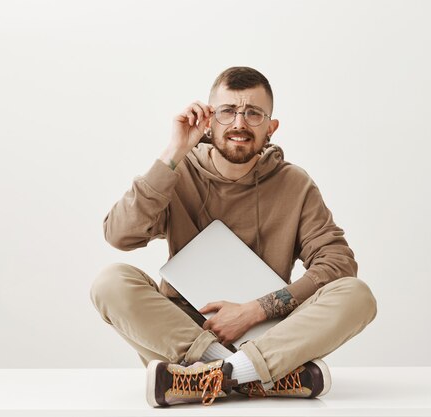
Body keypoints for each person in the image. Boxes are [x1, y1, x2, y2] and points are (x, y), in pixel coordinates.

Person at [90, 66, 378, 407]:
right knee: (110, 282)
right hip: (183, 340)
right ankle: (246, 376)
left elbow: (339, 263)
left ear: (271, 128)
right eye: (228, 111)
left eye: (253, 114)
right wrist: (173, 151)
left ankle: (209, 380)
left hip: (268, 337)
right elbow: (120, 235)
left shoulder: (295, 184)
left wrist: (255, 310)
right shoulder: (177, 173)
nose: (240, 123)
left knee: (356, 295)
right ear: (210, 120)